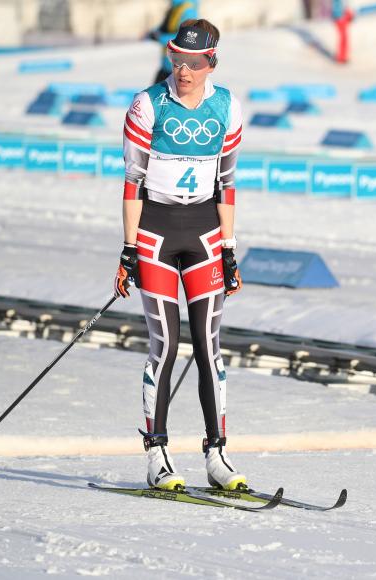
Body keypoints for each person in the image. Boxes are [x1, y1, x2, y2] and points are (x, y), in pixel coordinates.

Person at [114, 18, 245, 491]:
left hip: (206, 234)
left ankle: (217, 455)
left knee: (209, 348)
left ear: (210, 62)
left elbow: (227, 184)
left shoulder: (227, 108)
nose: (182, 70)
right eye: (175, 59)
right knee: (165, 344)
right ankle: (158, 453)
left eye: (192, 62)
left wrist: (229, 251)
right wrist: (128, 250)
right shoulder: (148, 105)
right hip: (155, 233)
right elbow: (132, 182)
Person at [146, 0, 199, 85]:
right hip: (167, 64)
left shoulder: (189, 10)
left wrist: (160, 38)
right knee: (152, 95)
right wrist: (151, 33)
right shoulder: (175, 8)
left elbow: (185, 36)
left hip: (179, 66)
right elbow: (164, 27)